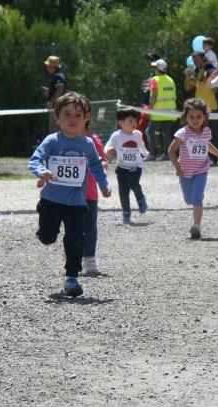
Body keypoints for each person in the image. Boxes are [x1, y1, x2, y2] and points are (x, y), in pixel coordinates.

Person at [28, 92, 112, 298]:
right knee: (48, 238)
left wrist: (103, 184)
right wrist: (42, 172)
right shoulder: (52, 140)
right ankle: (46, 231)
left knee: (75, 238)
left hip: (76, 202)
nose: (72, 119)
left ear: (86, 118)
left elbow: (95, 165)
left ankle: (72, 278)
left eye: (77, 115)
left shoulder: (87, 144)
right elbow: (34, 160)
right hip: (51, 201)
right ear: (57, 118)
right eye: (67, 114)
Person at [167, 98, 218, 240]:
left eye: (199, 117)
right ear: (186, 117)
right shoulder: (182, 133)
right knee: (189, 199)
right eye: (191, 117)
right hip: (185, 171)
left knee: (196, 199)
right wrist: (177, 167)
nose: (195, 120)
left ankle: (196, 226)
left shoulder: (206, 131)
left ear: (205, 117)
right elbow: (171, 151)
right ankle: (196, 195)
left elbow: (207, 145)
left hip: (201, 169)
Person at [105, 106, 149, 225]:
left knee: (133, 184)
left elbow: (141, 146)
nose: (134, 122)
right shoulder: (116, 135)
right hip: (122, 167)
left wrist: (145, 154)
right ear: (121, 122)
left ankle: (141, 199)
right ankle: (126, 214)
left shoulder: (137, 134)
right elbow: (107, 146)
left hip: (136, 166)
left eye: (135, 120)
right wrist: (109, 150)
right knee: (123, 192)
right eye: (130, 120)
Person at [82, 112, 108, 277]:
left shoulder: (93, 140)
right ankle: (72, 257)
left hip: (90, 194)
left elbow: (104, 160)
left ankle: (90, 259)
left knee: (90, 229)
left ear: (87, 118)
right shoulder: (61, 140)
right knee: (72, 228)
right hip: (67, 196)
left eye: (79, 115)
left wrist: (102, 164)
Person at [146, 58, 177, 161]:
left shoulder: (155, 80)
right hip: (170, 112)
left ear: (158, 69)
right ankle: (167, 155)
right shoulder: (171, 80)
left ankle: (153, 154)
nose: (153, 69)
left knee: (149, 132)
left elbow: (154, 96)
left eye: (155, 67)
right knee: (166, 133)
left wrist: (149, 110)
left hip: (158, 113)